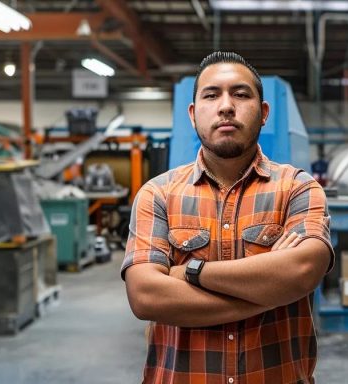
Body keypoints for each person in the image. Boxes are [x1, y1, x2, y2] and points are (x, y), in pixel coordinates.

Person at [121, 51, 335, 384]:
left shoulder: (298, 188)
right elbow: (145, 296)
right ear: (193, 115)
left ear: (263, 113)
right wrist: (269, 291)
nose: (225, 106)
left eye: (240, 94)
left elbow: (303, 270)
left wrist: (189, 272)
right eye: (211, 94)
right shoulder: (157, 194)